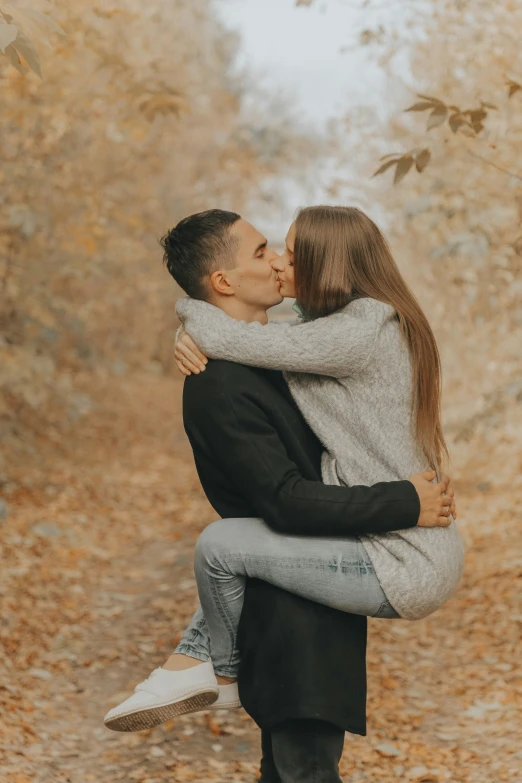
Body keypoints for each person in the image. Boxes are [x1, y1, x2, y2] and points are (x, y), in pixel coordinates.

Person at [104, 209, 457, 783]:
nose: (278, 263)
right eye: (267, 251)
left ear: (329, 263)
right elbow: (282, 500)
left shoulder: (349, 331)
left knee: (302, 767)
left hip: (386, 550)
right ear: (224, 280)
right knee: (294, 769)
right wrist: (191, 329)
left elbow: (248, 336)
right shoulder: (239, 371)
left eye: (288, 252)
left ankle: (202, 666)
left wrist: (192, 320)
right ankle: (192, 664)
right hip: (325, 573)